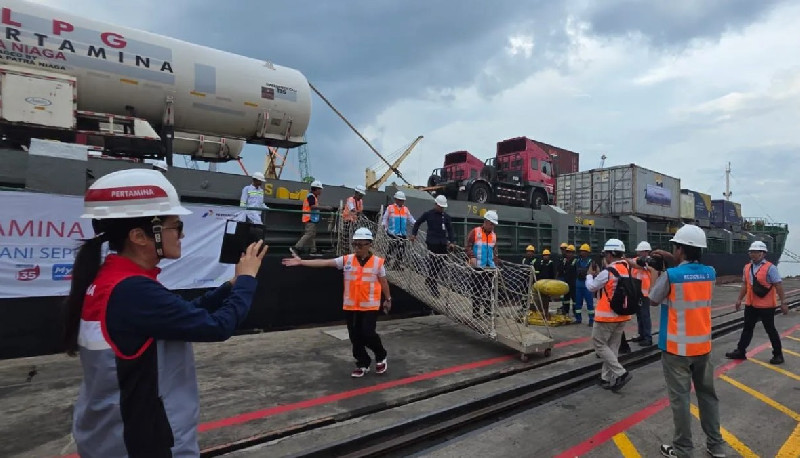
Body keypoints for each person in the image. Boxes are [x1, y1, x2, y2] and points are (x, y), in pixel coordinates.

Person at [65, 169, 267, 458]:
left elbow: (182, 316)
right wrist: (248, 281)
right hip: (143, 443)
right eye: (176, 225)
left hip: (113, 437)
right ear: (139, 236)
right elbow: (217, 327)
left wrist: (229, 286)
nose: (182, 233)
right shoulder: (133, 290)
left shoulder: (115, 280)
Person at [647, 225, 725, 458]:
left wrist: (654, 270)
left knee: (680, 400)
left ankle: (683, 450)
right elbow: (691, 274)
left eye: (675, 247)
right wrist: (675, 260)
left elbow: (652, 298)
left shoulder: (671, 275)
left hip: (676, 349)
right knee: (708, 396)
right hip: (702, 346)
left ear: (680, 249)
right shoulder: (710, 272)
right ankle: (716, 446)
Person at [283, 227, 392, 377]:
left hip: (369, 305)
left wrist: (388, 299)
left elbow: (384, 282)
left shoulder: (378, 263)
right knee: (355, 336)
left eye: (361, 245)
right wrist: (302, 262)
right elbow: (325, 263)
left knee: (368, 333)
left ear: (369, 245)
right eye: (355, 244)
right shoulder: (346, 260)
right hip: (351, 305)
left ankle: (381, 355)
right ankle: (363, 362)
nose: (357, 248)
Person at [724, 240, 788, 365]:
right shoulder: (747, 267)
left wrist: (783, 302)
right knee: (747, 328)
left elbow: (778, 285)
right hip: (751, 304)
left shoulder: (771, 268)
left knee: (770, 330)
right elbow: (745, 285)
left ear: (763, 253)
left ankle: (778, 355)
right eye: (751, 252)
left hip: (766, 306)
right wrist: (739, 299)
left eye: (756, 252)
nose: (753, 254)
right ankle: (740, 351)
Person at [585, 239, 633, 392]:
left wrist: (589, 275)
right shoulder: (626, 267)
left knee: (599, 344)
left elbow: (592, 287)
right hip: (623, 315)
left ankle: (621, 373)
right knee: (612, 347)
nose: (605, 256)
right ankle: (606, 378)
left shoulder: (608, 272)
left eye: (606, 253)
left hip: (607, 316)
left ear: (610, 254)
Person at [410, 194, 455, 297]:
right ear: (436, 205)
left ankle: (430, 278)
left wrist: (452, 241)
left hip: (442, 242)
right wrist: (414, 234)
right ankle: (433, 285)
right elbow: (417, 223)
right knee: (434, 263)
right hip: (432, 242)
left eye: (443, 207)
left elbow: (450, 230)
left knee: (441, 263)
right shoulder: (428, 214)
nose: (442, 208)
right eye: (440, 206)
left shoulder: (446, 217)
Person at [465, 210, 500, 318]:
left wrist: (497, 261)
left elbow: (494, 250)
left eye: (494, 225)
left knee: (491, 289)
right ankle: (476, 313)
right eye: (491, 224)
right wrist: (472, 256)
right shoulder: (475, 232)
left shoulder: (493, 235)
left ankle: (488, 311)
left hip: (490, 267)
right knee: (477, 290)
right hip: (478, 267)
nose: (492, 226)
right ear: (485, 221)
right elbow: (468, 246)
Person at [292, 180, 328, 255]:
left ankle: (313, 250)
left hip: (312, 219)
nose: (321, 191)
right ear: (316, 189)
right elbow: (312, 206)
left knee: (312, 235)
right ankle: (296, 247)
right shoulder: (311, 196)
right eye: (320, 189)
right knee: (309, 234)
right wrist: (325, 208)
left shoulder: (313, 197)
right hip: (310, 218)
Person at [382, 191, 416, 268]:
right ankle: (386, 263)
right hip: (392, 233)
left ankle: (396, 265)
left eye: (402, 200)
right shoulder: (390, 208)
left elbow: (411, 219)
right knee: (391, 248)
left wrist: (416, 224)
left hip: (402, 234)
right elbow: (385, 218)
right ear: (396, 199)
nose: (401, 202)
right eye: (399, 200)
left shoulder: (406, 209)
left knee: (401, 250)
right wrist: (384, 226)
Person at [630, 241, 654, 346]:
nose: (639, 253)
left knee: (645, 315)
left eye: (641, 251)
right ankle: (642, 334)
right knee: (639, 314)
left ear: (646, 252)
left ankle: (648, 337)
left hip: (645, 292)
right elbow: (632, 262)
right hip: (637, 291)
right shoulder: (636, 260)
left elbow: (639, 266)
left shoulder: (650, 262)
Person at [575, 243, 595, 325]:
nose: (582, 253)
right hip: (579, 284)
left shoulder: (591, 262)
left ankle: (591, 320)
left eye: (584, 251)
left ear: (587, 252)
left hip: (587, 285)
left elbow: (594, 272)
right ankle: (578, 319)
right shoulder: (578, 261)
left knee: (589, 303)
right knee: (578, 303)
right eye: (581, 251)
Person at [558, 244, 577, 316]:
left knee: (574, 298)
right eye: (567, 252)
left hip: (573, 282)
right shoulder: (564, 260)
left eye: (570, 252)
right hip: (566, 282)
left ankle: (575, 312)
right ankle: (565, 310)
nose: (568, 254)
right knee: (566, 298)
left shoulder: (575, 260)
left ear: (573, 253)